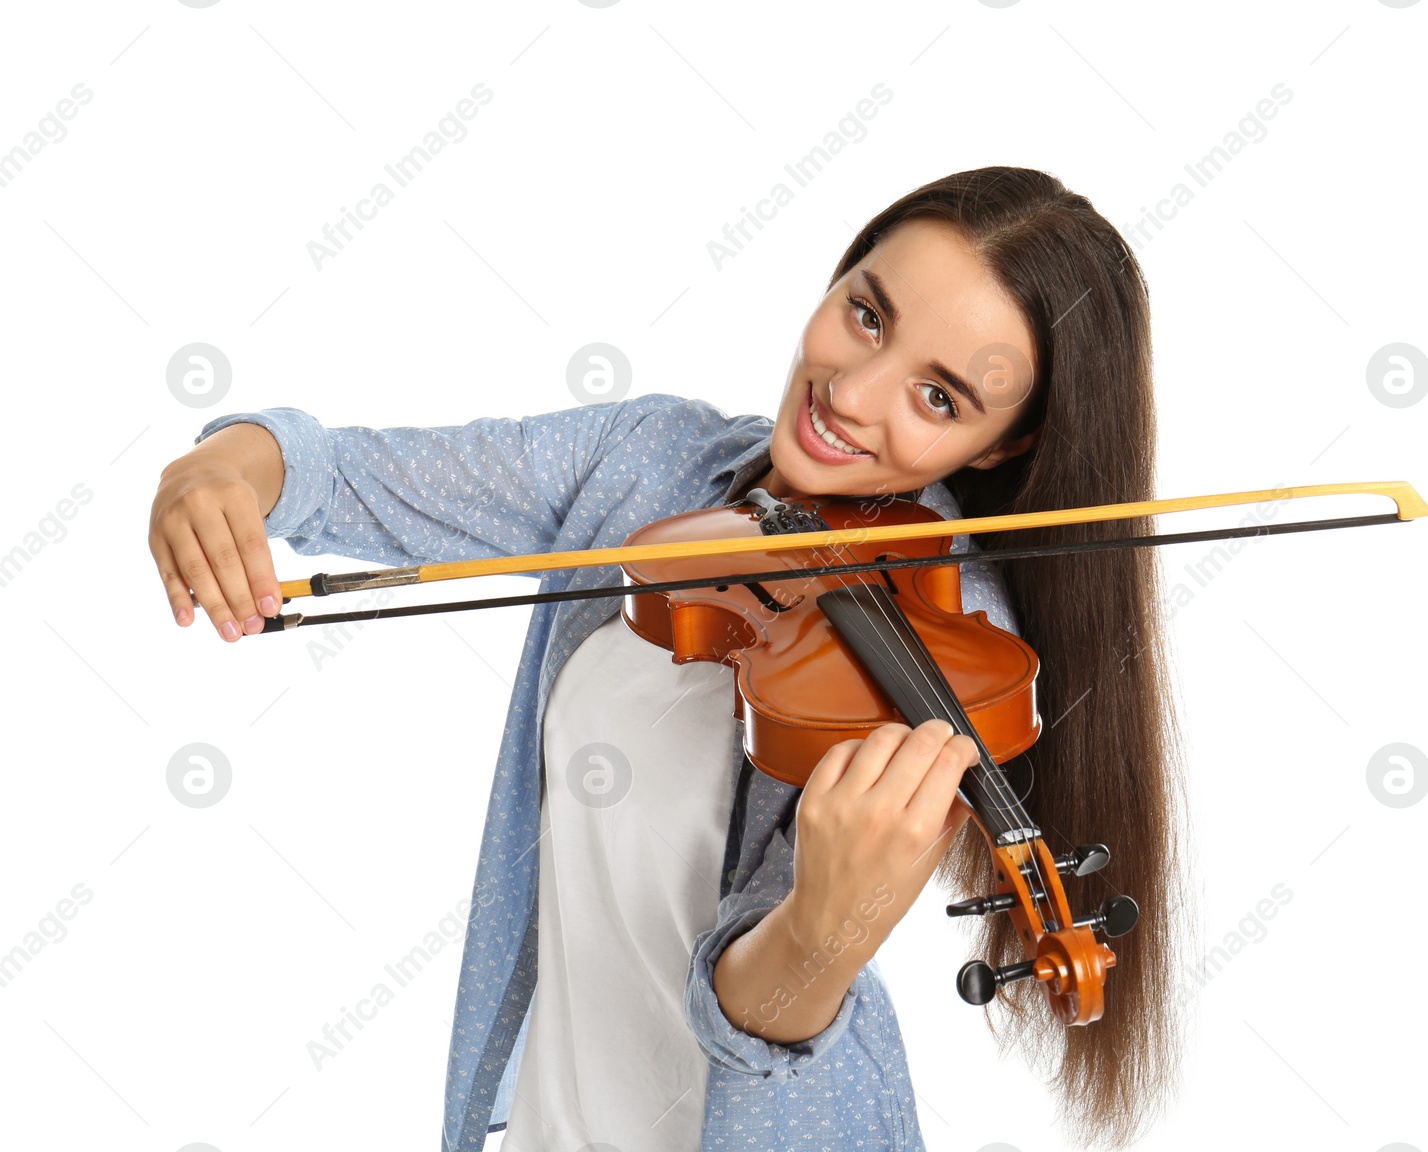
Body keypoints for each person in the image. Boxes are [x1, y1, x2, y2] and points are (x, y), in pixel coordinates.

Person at [148, 166, 1187, 1151]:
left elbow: (760, 1007)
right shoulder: (651, 463)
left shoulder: (951, 656)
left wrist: (823, 933)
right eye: (867, 315)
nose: (854, 395)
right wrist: (220, 468)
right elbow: (335, 471)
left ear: (1003, 446)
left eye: (940, 398)